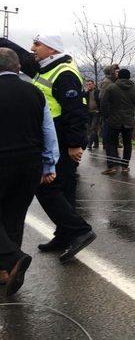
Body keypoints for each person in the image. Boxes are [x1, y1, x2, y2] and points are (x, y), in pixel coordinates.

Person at [4, 33, 96, 263]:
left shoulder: (63, 73)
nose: (32, 48)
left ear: (52, 49)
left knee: (47, 187)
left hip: (64, 141)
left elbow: (76, 111)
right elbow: (20, 58)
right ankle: (64, 235)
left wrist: (75, 144)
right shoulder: (46, 68)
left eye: (37, 44)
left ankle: (79, 230)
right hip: (54, 138)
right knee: (62, 188)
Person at [0, 48, 59, 296]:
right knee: (14, 215)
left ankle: (13, 259)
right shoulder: (35, 92)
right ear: (17, 68)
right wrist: (49, 164)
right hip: (30, 164)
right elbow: (48, 131)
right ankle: (6, 271)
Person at [100, 68, 135, 175]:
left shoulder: (112, 87)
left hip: (113, 120)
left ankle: (112, 166)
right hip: (128, 121)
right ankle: (125, 166)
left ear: (119, 76)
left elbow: (103, 103)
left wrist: (106, 116)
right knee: (127, 143)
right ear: (129, 77)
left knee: (111, 143)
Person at [99, 64, 119, 149]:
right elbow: (102, 98)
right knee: (107, 129)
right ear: (112, 72)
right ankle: (107, 145)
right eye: (117, 71)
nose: (119, 73)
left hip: (114, 111)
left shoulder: (114, 81)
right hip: (109, 111)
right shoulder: (107, 82)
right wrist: (106, 112)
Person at [83, 79, 100, 150]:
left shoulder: (97, 92)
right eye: (87, 84)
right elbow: (82, 101)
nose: (88, 86)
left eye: (90, 84)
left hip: (96, 112)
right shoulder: (85, 93)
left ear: (93, 84)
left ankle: (89, 144)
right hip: (88, 113)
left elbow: (101, 101)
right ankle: (96, 143)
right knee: (91, 128)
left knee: (92, 128)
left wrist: (99, 110)